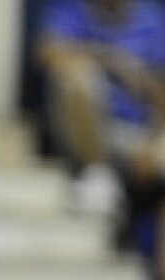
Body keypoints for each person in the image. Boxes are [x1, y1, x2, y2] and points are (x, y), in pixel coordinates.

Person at [37, 0, 165, 220]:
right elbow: (48, 52)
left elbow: (161, 86)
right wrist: (111, 59)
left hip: (139, 132)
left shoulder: (152, 17)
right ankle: (97, 175)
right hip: (87, 133)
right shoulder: (74, 8)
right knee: (79, 75)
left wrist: (153, 139)